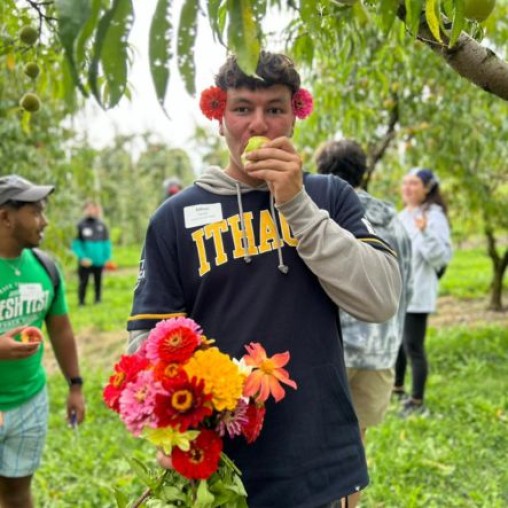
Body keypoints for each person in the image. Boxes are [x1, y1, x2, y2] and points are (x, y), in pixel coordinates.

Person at [127, 51, 401, 508]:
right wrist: (171, 422)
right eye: (242, 109)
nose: (258, 125)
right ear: (219, 117)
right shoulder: (173, 220)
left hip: (320, 458)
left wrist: (297, 205)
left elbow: (381, 299)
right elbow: (146, 342)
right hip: (223, 470)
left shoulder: (331, 197)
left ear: (294, 117)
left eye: (274, 109)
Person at [315, 139, 413, 507]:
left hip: (332, 349)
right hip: (380, 350)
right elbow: (406, 286)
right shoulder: (393, 218)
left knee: (320, 442)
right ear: (363, 172)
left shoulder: (321, 215)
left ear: (322, 173)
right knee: (354, 443)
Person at [0, 175, 85, 508]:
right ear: (5, 218)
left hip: (29, 403)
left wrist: (75, 385)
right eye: (35, 212)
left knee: (18, 495)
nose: (44, 221)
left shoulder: (45, 267)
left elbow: (60, 329)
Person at [394, 167, 452, 417]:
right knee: (396, 343)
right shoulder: (402, 215)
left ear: (427, 188)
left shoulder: (434, 216)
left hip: (418, 292)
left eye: (414, 183)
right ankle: (396, 388)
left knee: (413, 346)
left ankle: (416, 400)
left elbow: (441, 257)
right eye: (405, 183)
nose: (408, 188)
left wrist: (425, 231)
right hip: (398, 291)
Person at [71, 200, 112, 306]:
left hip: (99, 261)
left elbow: (106, 243)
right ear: (84, 210)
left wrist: (107, 257)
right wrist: (82, 257)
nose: (90, 210)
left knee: (98, 282)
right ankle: (81, 302)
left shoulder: (102, 225)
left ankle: (98, 300)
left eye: (92, 208)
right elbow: (76, 244)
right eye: (88, 208)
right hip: (85, 262)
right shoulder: (80, 225)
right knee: (83, 282)